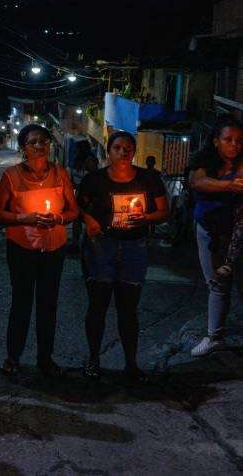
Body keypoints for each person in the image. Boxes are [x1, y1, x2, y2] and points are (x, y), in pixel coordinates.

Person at [77, 131, 168, 381]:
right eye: (117, 147)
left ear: (134, 151)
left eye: (128, 148)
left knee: (128, 308)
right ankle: (93, 360)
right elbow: (77, 205)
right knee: (98, 305)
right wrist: (89, 221)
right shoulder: (95, 180)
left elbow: (163, 211)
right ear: (109, 151)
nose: (123, 152)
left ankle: (131, 364)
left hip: (134, 247)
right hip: (101, 247)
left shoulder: (149, 179)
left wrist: (146, 218)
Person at [0, 124, 78, 377]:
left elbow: (73, 210)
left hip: (54, 247)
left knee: (48, 304)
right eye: (33, 142)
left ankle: (45, 357)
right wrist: (25, 218)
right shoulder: (12, 176)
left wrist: (59, 219)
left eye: (44, 141)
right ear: (23, 148)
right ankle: (13, 356)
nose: (40, 146)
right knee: (22, 302)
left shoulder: (61, 174)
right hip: (22, 249)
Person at [187, 117, 243, 357]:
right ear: (216, 141)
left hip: (238, 232)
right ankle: (214, 336)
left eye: (239, 140)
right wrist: (228, 186)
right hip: (210, 230)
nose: (234, 145)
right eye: (228, 139)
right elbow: (197, 182)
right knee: (217, 283)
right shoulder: (204, 162)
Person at [68, 139, 98, 253]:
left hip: (89, 196)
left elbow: (94, 178)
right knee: (76, 219)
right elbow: (73, 179)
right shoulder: (77, 161)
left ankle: (89, 244)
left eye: (77, 148)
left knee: (87, 218)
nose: (75, 150)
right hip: (79, 195)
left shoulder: (90, 160)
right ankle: (76, 243)